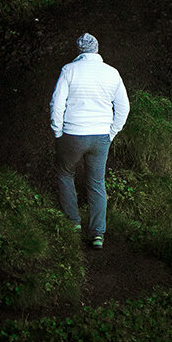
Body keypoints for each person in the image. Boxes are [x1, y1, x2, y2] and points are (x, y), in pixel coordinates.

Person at [49, 32, 129, 248]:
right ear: (97, 49)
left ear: (79, 50)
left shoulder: (69, 70)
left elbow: (57, 103)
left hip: (73, 134)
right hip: (101, 136)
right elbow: (124, 107)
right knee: (96, 183)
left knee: (65, 173)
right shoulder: (112, 73)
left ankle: (73, 223)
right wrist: (111, 132)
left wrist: (58, 131)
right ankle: (97, 234)